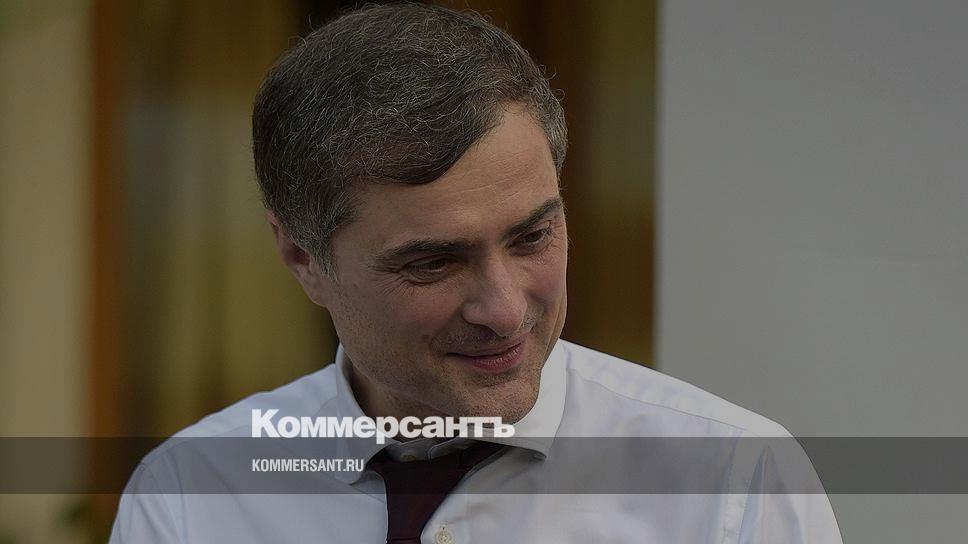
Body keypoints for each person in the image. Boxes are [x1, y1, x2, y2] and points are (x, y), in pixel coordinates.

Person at [110, 4, 843, 543]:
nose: (504, 309)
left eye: (533, 236)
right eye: (433, 262)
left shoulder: (731, 482)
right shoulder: (190, 494)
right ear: (303, 256)